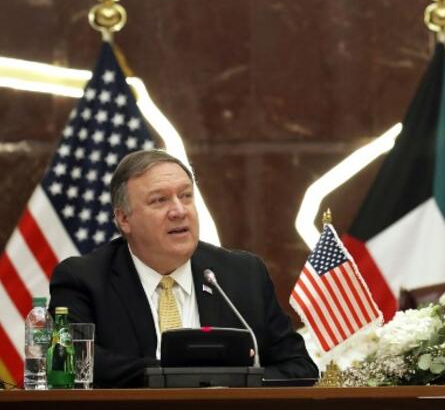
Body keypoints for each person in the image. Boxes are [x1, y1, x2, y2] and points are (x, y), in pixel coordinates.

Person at [49, 149, 318, 387]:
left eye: (186, 196)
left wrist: (232, 383)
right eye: (159, 201)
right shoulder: (84, 280)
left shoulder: (242, 275)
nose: (179, 210)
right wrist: (176, 375)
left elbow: (300, 369)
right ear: (123, 219)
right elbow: (74, 362)